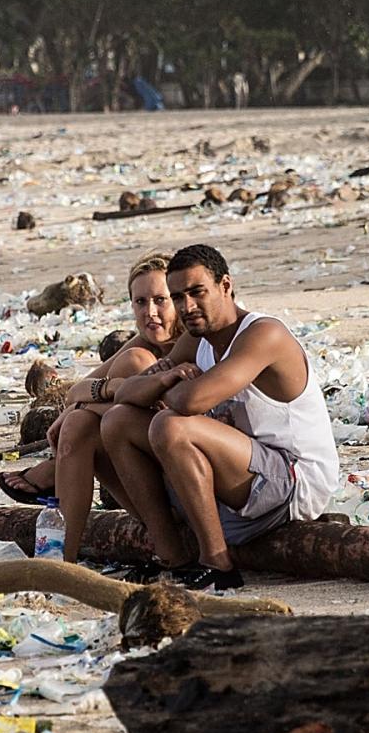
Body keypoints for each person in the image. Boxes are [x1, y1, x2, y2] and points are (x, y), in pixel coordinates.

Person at [99, 245, 340, 591]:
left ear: (225, 286)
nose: (188, 307)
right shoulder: (199, 341)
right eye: (178, 297)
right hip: (241, 478)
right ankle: (172, 557)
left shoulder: (263, 334)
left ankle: (218, 564)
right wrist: (165, 379)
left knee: (170, 426)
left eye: (198, 293)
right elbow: (125, 395)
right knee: (117, 422)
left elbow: (191, 400)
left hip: (292, 480)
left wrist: (162, 381)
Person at [0, 255, 179, 546]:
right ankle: (63, 560)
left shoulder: (193, 344)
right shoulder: (146, 340)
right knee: (80, 422)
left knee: (129, 368)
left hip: (189, 484)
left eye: (161, 300)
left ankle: (57, 471)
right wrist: (101, 396)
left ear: (180, 299)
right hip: (146, 490)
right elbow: (76, 391)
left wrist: (88, 403)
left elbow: (166, 415)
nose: (150, 312)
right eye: (140, 302)